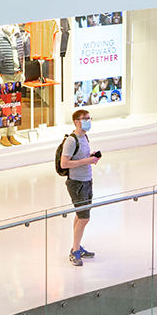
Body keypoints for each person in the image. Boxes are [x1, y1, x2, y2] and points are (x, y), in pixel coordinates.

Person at [60, 109, 101, 266]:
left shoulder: (84, 137)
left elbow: (80, 157)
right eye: (84, 118)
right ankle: (75, 251)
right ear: (76, 122)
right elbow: (64, 163)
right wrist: (86, 161)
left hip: (86, 180)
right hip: (77, 183)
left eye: (89, 118)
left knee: (80, 215)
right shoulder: (71, 141)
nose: (88, 121)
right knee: (85, 217)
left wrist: (90, 156)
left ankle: (76, 247)